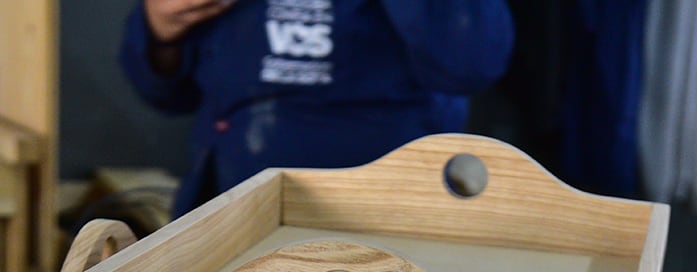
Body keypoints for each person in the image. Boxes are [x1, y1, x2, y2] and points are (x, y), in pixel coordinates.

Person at [120, 0, 515, 216]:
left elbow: (471, 63)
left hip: (389, 216)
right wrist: (161, 27)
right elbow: (167, 94)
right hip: (230, 208)